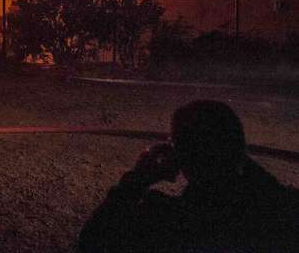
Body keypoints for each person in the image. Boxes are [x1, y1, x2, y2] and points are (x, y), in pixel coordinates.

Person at [78, 100, 299, 252]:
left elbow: (92, 242)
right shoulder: (283, 209)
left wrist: (136, 180)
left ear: (180, 153)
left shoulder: (165, 220)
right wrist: (237, 157)